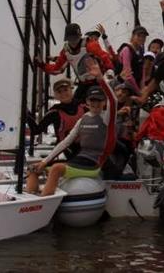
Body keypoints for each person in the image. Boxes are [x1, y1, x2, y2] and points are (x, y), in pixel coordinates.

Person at [27, 57, 117, 196]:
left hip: (94, 164)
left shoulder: (106, 118)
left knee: (56, 168)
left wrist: (100, 78)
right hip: (77, 159)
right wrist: (44, 162)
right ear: (87, 101)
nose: (95, 103)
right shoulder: (83, 119)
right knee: (34, 168)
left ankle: (43, 201)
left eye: (99, 101)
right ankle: (31, 200)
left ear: (104, 103)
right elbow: (65, 142)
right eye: (92, 100)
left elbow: (114, 100)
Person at [37, 23, 113, 103]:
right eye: (70, 39)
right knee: (75, 105)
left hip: (98, 82)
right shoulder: (65, 51)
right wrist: (41, 64)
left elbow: (106, 60)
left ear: (80, 36)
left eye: (75, 38)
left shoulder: (91, 45)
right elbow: (57, 69)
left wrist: (108, 78)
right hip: (83, 83)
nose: (73, 42)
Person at [26, 78, 84, 158]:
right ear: (56, 96)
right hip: (67, 147)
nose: (63, 93)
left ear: (71, 90)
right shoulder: (54, 112)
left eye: (65, 90)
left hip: (87, 145)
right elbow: (36, 130)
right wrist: (26, 113)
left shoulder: (83, 106)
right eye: (59, 92)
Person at [116, 26, 148, 93]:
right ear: (133, 36)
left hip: (137, 85)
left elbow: (142, 69)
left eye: (144, 37)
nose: (141, 38)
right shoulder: (127, 50)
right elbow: (128, 75)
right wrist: (138, 92)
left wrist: (143, 87)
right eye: (139, 36)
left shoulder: (141, 50)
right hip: (125, 86)